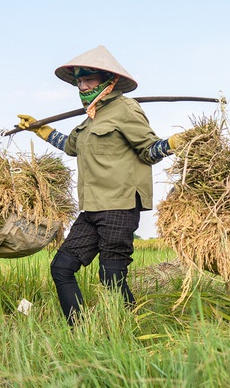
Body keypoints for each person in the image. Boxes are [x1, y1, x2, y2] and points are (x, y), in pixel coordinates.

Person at [17, 45, 184, 325]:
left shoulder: (126, 109)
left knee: (111, 278)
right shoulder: (90, 119)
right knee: (62, 268)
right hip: (92, 208)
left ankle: (129, 331)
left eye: (88, 79)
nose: (82, 86)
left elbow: (148, 151)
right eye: (79, 81)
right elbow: (71, 146)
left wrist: (172, 144)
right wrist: (40, 129)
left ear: (109, 81)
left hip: (120, 205)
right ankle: (80, 330)